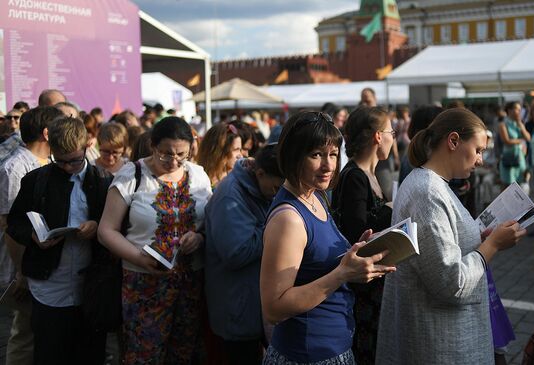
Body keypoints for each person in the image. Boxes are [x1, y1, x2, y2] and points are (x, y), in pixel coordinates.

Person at [376, 108, 525, 365]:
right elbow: (451, 282)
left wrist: (480, 236)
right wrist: (492, 244)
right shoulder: (428, 192)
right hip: (442, 344)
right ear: (453, 141)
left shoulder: (431, 184)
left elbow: (440, 247)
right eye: (478, 150)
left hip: (442, 338)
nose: (480, 160)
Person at [260, 111, 396, 364]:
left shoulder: (314, 195)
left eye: (333, 154)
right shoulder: (288, 219)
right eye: (316, 155)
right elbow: (274, 308)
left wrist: (356, 252)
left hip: (332, 346)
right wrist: (343, 274)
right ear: (293, 155)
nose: (329, 165)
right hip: (308, 354)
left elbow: (315, 263)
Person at [97, 117, 212, 364]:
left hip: (190, 283)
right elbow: (106, 230)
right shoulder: (132, 175)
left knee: (184, 352)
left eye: (181, 155)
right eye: (166, 154)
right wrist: (139, 257)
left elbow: (210, 223)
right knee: (144, 355)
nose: (173, 162)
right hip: (143, 284)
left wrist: (200, 238)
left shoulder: (198, 175)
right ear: (152, 145)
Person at [6, 116, 112, 365]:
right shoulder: (36, 180)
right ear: (50, 150)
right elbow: (15, 223)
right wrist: (33, 235)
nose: (67, 167)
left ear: (86, 147)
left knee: (90, 353)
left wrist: (98, 226)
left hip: (91, 285)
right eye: (60, 161)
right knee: (50, 352)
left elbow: (117, 225)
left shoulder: (103, 181)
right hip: (49, 285)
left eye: (74, 160)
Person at [205, 144, 285, 364]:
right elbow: (236, 252)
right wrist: (278, 227)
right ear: (259, 174)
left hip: (254, 306)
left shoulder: (259, 187)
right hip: (237, 310)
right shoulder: (230, 196)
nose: (280, 194)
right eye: (277, 187)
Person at [331, 106, 394, 364]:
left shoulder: (368, 174)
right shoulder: (355, 176)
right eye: (391, 131)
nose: (393, 136)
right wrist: (390, 211)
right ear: (378, 136)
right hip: (362, 288)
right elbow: (358, 233)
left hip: (371, 282)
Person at [0, 106, 63, 365]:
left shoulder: (51, 162)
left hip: (42, 264)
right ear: (47, 133)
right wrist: (20, 272)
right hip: (22, 266)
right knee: (24, 333)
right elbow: (9, 224)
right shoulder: (15, 168)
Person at [196, 122, 243, 187]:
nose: (240, 155)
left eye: (240, 150)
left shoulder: (239, 180)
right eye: (236, 150)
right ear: (220, 151)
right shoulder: (196, 180)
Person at [497, 101, 530, 189]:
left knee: (519, 187)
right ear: (509, 110)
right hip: (508, 159)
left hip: (519, 159)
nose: (519, 111)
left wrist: (521, 125)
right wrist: (521, 140)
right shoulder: (503, 124)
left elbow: (528, 137)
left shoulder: (519, 123)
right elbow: (506, 141)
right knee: (506, 187)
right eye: (516, 109)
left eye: (520, 109)